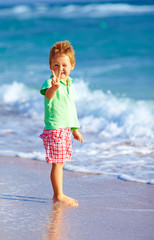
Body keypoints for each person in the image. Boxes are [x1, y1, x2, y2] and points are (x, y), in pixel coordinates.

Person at [40, 41, 83, 207]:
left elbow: (70, 109)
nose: (60, 69)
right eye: (56, 65)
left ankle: (59, 194)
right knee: (57, 163)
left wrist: (75, 129)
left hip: (65, 129)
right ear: (50, 65)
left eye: (64, 65)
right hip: (55, 128)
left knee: (61, 162)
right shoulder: (50, 83)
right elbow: (49, 96)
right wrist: (54, 87)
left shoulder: (70, 84)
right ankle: (58, 195)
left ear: (72, 65)